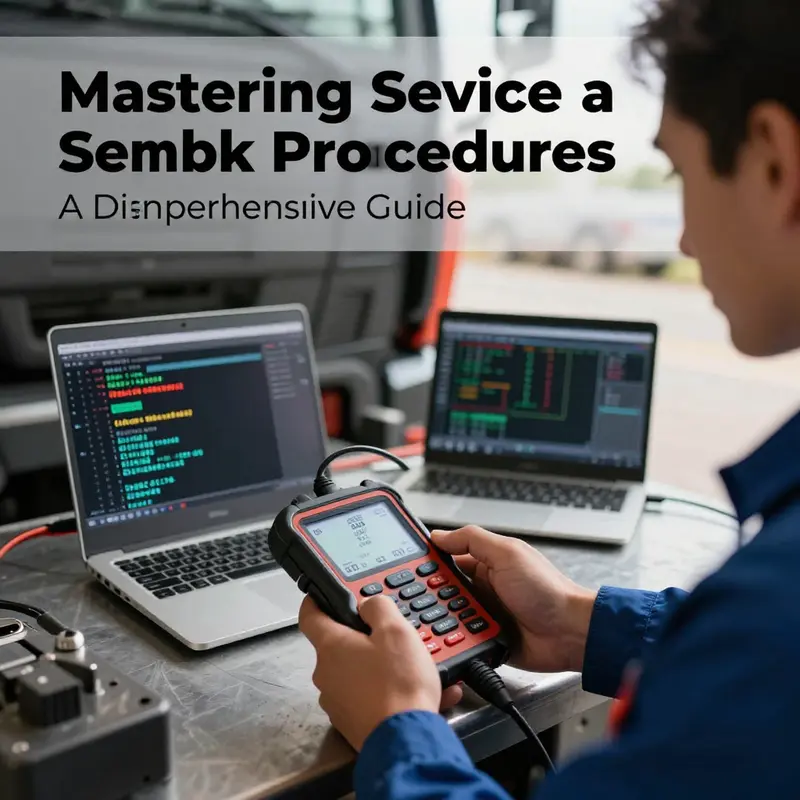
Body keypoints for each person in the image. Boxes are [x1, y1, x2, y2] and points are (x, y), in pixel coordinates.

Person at [298, 0, 800, 796]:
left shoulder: (772, 616)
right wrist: (575, 619)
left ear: (775, 162)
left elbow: (767, 654)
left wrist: (399, 730)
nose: (684, 240)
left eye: (680, 170)